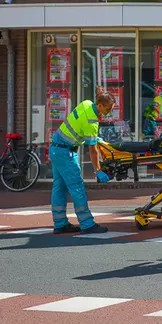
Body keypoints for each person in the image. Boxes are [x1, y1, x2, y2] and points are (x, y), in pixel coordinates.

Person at [49, 91, 115, 234]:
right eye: (107, 108)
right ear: (99, 105)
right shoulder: (92, 122)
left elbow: (78, 125)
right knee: (77, 186)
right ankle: (87, 224)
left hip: (55, 147)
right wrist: (98, 170)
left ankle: (59, 223)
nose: (109, 112)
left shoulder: (86, 103)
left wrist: (93, 138)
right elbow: (93, 151)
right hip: (66, 153)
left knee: (59, 187)